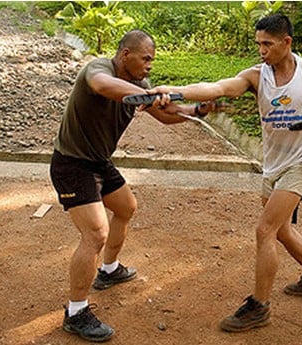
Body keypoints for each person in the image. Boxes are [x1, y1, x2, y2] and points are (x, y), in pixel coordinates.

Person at [148, 14, 302, 332]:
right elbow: (218, 87)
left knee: (265, 231)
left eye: (268, 44)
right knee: (283, 229)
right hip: (272, 165)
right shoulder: (255, 76)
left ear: (286, 43)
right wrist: (175, 90)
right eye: (258, 43)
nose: (261, 50)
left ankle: (259, 306)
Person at [49, 29, 219, 342]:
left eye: (152, 60)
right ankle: (75, 312)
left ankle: (109, 270)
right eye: (146, 59)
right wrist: (146, 95)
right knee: (95, 233)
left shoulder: (140, 85)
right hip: (72, 164)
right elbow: (103, 86)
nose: (150, 66)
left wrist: (198, 110)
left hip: (98, 161)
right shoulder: (98, 70)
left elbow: (166, 115)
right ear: (125, 54)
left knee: (126, 208)